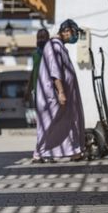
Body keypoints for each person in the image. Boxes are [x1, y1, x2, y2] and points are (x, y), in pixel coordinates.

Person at [32, 19, 86, 162]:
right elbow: (55, 71)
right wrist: (61, 92)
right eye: (74, 33)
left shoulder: (58, 46)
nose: (75, 37)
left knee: (66, 124)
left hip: (59, 96)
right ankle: (39, 153)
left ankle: (74, 152)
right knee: (49, 124)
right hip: (53, 96)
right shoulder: (54, 47)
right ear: (66, 31)